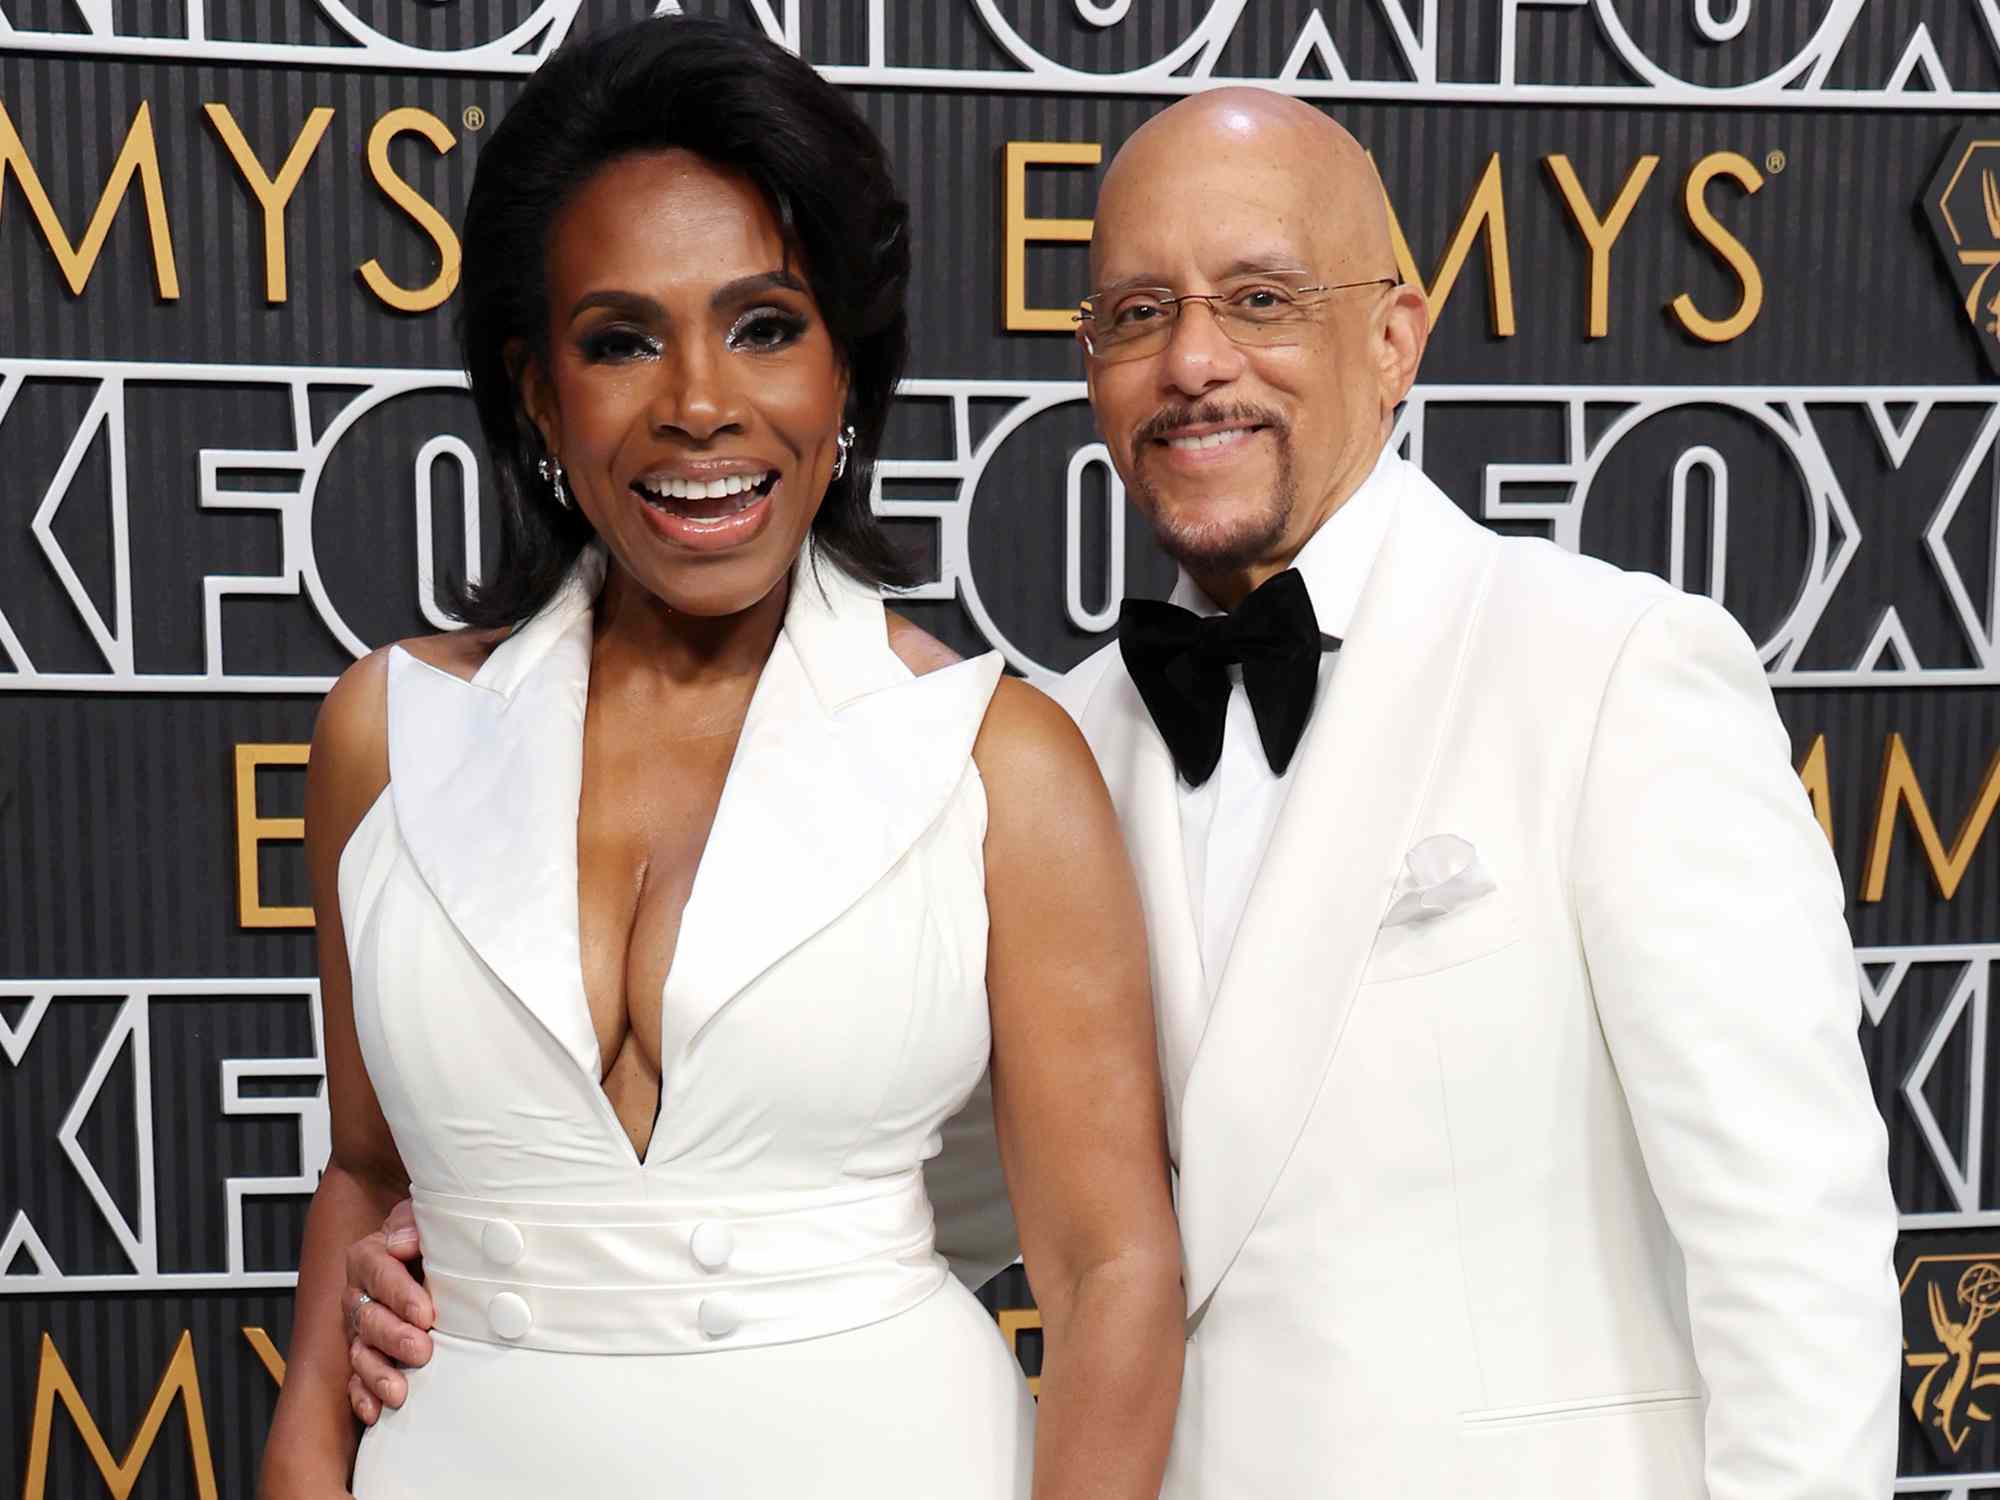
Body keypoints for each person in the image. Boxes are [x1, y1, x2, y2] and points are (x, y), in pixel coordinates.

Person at [344, 81, 1904, 1499]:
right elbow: (881, 1171)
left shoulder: (1613, 669)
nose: (1194, 362)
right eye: (1136, 312)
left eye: (1262, 299)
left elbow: (1792, 1245)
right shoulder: (1052, 741)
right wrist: (480, 1257)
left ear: (1396, 337)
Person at [258, 18, 1183, 1500]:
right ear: (541, 395)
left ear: (847, 380)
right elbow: (368, 1177)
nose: (699, 402)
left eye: (764, 325)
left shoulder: (994, 759)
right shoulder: (389, 733)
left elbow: (1108, 1264)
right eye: (622, 339)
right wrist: (304, 1464)